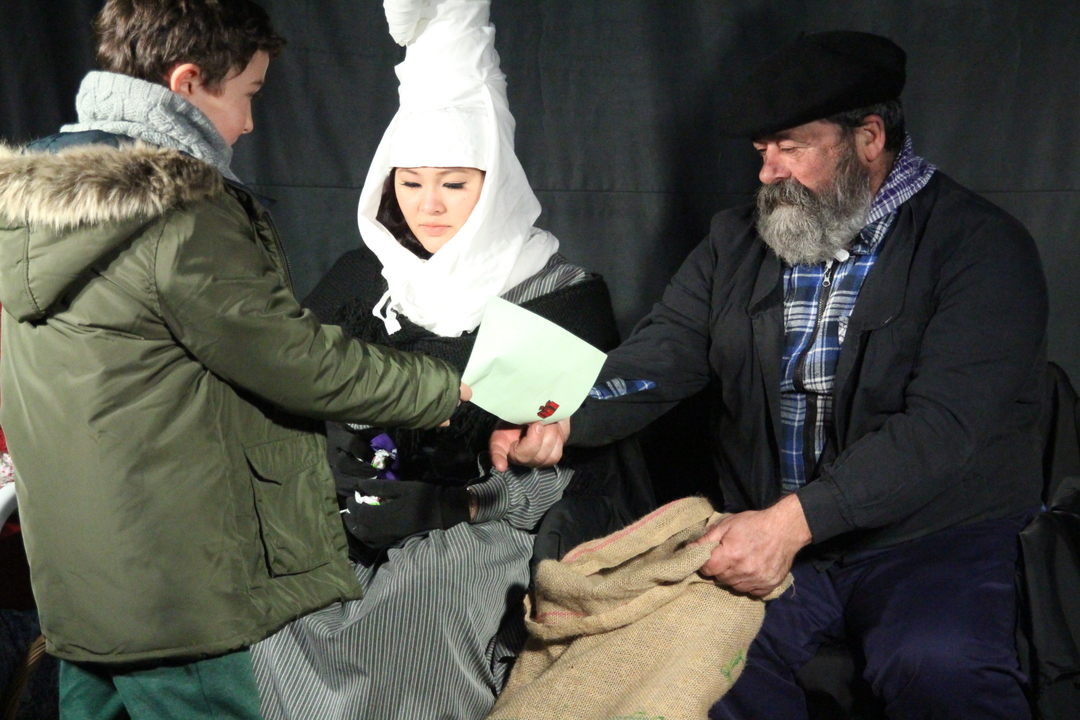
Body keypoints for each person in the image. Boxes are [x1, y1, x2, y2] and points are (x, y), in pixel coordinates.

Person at [492, 30, 1048, 719]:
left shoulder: (981, 246)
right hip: (767, 529)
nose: (767, 174)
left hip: (931, 540)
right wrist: (563, 412)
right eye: (762, 152)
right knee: (696, 664)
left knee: (937, 665)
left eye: (791, 148)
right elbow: (657, 358)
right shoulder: (734, 242)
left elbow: (942, 429)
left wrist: (794, 523)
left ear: (869, 139)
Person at [0, 1, 468, 718]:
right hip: (185, 589)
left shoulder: (32, 204)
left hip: (82, 585)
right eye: (248, 94)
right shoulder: (178, 212)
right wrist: (447, 390)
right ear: (187, 82)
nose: (250, 123)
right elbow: (297, 360)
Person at [250, 1, 651, 719]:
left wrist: (457, 502)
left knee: (423, 608)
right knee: (268, 597)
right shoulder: (359, 279)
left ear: (495, 186)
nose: (428, 206)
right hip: (341, 515)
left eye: (455, 184)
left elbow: (575, 468)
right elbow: (291, 403)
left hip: (480, 527)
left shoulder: (558, 295)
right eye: (411, 183)